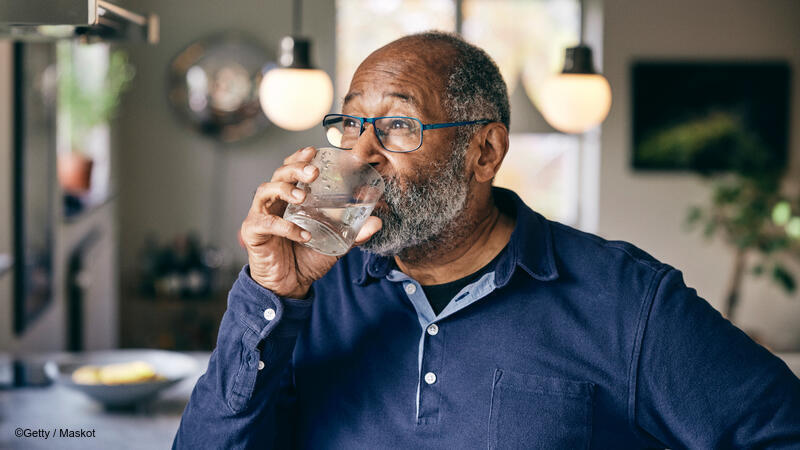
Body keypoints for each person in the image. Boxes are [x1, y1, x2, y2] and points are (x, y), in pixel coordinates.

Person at [173, 31, 800, 449]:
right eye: (350, 123)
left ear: (485, 151)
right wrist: (269, 293)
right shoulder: (307, 292)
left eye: (397, 125)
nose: (360, 152)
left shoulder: (626, 302)